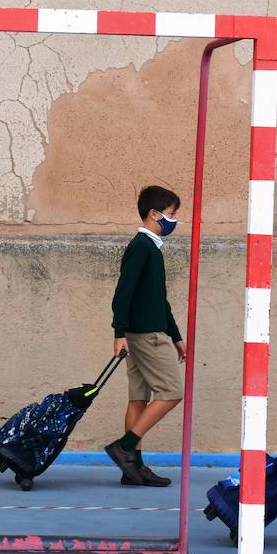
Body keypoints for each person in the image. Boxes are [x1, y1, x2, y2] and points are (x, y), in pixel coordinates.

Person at [103, 185, 187, 487]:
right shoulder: (142, 247)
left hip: (144, 333)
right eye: (172, 214)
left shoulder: (151, 248)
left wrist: (176, 336)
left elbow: (158, 299)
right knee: (172, 391)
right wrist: (118, 332)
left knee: (139, 397)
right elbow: (123, 293)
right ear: (154, 214)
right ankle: (125, 447)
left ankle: (132, 469)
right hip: (147, 336)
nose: (175, 220)